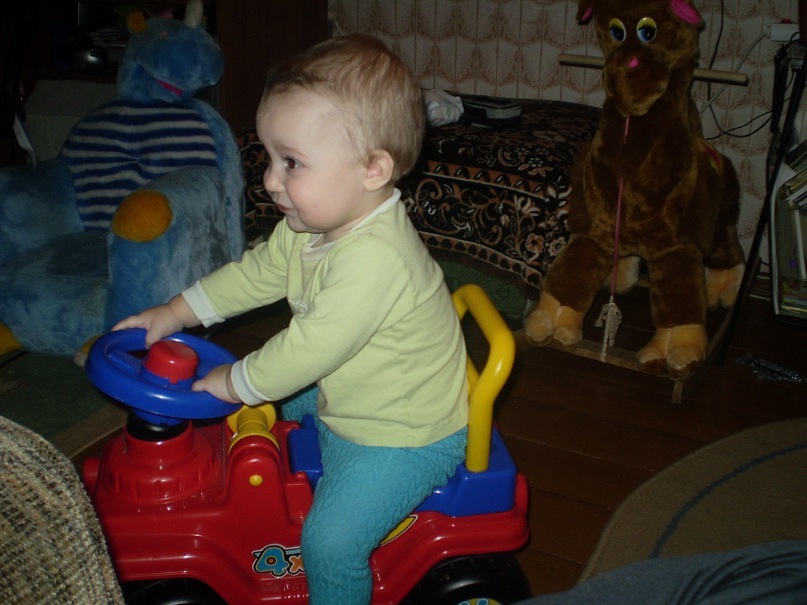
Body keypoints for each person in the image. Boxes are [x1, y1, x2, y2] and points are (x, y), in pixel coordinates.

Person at [113, 33, 469, 604]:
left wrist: (236, 381)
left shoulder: (376, 260)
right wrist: (176, 311)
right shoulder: (311, 227)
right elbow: (256, 274)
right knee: (261, 410)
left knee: (329, 544)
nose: (271, 180)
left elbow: (307, 350)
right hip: (355, 390)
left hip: (402, 435)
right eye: (271, 158)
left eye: (292, 163)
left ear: (372, 169)